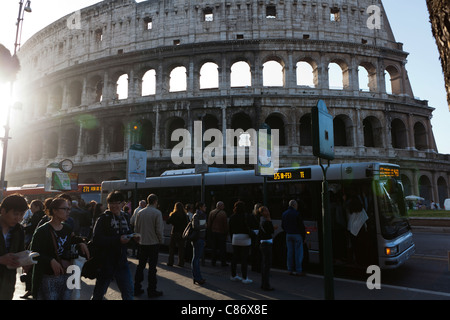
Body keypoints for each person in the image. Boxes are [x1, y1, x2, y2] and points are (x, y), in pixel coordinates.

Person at [30, 197, 89, 300]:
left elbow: (72, 239)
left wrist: (80, 242)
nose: (68, 212)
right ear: (55, 211)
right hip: (48, 277)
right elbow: (34, 254)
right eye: (65, 209)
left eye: (69, 209)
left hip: (67, 274)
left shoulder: (67, 228)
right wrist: (50, 260)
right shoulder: (42, 231)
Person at [91, 191, 136, 300]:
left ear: (123, 204)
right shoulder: (103, 219)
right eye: (111, 203)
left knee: (128, 292)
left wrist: (133, 239)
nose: (114, 206)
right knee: (99, 293)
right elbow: (97, 239)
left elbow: (128, 233)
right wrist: (118, 240)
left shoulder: (126, 216)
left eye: (117, 203)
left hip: (122, 262)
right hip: (106, 263)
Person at [133, 193, 164, 298]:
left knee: (140, 266)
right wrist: (161, 240)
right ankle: (152, 290)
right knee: (152, 268)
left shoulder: (140, 212)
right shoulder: (157, 213)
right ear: (155, 202)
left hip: (142, 243)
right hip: (153, 243)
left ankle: (136, 288)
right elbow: (159, 230)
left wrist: (138, 239)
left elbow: (136, 229)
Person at [0, 194, 28, 300]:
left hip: (7, 283)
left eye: (22, 215)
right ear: (3, 211)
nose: (19, 218)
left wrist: (25, 260)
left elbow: (20, 251)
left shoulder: (19, 230)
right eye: (15, 214)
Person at [228, 200, 253, 284]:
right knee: (244, 259)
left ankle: (233, 275)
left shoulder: (232, 217)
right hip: (245, 238)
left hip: (235, 238)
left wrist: (232, 239)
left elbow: (230, 229)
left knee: (234, 258)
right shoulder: (247, 216)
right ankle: (244, 278)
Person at [281, 199, 306, 276]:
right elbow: (301, 226)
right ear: (295, 205)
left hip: (288, 234)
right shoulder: (297, 214)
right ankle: (298, 270)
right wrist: (303, 236)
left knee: (290, 252)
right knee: (298, 253)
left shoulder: (284, 214)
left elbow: (282, 226)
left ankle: (290, 269)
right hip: (297, 235)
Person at [258, 206, 275, 291]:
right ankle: (266, 285)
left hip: (264, 243)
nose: (268, 212)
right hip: (266, 244)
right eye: (266, 210)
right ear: (262, 212)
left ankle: (264, 284)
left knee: (265, 264)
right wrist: (270, 220)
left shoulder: (262, 220)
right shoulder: (265, 221)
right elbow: (271, 230)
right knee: (266, 265)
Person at [166, 202, 188, 267]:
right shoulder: (185, 215)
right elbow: (186, 224)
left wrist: (173, 221)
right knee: (181, 249)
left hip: (174, 232)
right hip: (181, 233)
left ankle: (170, 262)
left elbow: (167, 222)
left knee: (172, 248)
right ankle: (181, 263)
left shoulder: (174, 214)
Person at [208, 201, 228, 267]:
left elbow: (209, 223)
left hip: (213, 232)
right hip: (221, 233)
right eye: (223, 205)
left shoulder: (211, 212)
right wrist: (226, 232)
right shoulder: (223, 213)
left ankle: (213, 262)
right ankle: (223, 262)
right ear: (220, 206)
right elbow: (225, 224)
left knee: (214, 248)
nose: (224, 206)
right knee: (222, 248)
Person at [191, 202, 207, 285]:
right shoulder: (196, 215)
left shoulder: (202, 215)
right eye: (204, 206)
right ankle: (197, 277)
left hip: (201, 238)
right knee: (196, 259)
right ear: (200, 207)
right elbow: (195, 226)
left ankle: (198, 277)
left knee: (196, 259)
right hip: (197, 239)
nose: (206, 207)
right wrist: (204, 226)